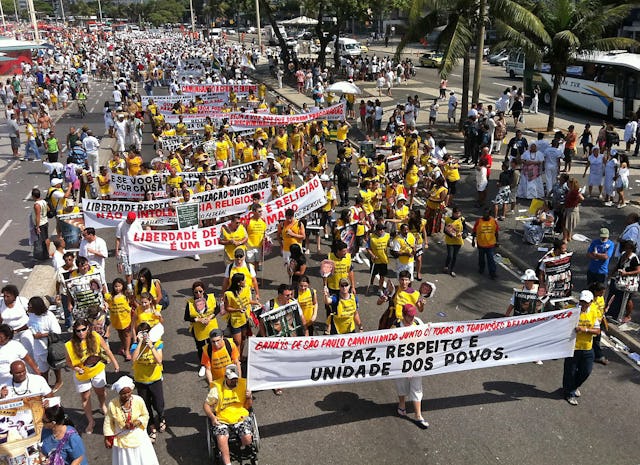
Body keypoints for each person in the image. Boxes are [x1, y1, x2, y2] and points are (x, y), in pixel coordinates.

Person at [65, 318, 119, 434]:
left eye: (83, 330)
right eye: (78, 331)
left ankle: (102, 405)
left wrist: (115, 363)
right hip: (82, 374)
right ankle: (91, 421)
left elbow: (106, 349)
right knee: (85, 397)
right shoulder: (69, 345)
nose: (81, 333)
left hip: (97, 370)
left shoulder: (95, 336)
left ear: (87, 328)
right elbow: (69, 362)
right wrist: (75, 368)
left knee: (101, 392)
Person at [203, 365, 254, 465]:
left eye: (235, 379)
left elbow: (248, 406)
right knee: (221, 438)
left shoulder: (244, 384)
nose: (234, 381)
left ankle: (240, 449)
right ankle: (227, 463)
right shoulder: (217, 389)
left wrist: (249, 398)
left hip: (240, 417)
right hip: (223, 419)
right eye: (231, 379)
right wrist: (212, 417)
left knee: (247, 438)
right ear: (226, 377)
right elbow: (206, 405)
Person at [103, 376, 160, 465]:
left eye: (129, 392)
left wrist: (138, 422)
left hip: (138, 436)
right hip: (122, 440)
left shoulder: (138, 400)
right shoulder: (112, 404)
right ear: (119, 393)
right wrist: (107, 438)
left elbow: (145, 415)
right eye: (123, 393)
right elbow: (108, 422)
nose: (126, 395)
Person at [392, 304, 429, 428]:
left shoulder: (418, 323)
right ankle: (402, 404)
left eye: (413, 315)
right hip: (401, 363)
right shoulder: (396, 326)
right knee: (401, 385)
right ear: (403, 315)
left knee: (417, 387)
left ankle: (418, 415)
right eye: (409, 316)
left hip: (416, 362)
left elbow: (427, 337)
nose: (412, 318)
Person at [562, 290, 600, 406]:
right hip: (573, 347)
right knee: (570, 372)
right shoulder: (572, 310)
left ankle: (573, 386)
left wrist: (585, 330)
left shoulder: (594, 312)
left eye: (586, 302)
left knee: (586, 371)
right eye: (582, 301)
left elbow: (598, 331)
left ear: (591, 302)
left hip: (587, 348)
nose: (583, 304)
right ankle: (569, 393)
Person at [131, 322, 165, 443]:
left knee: (159, 404)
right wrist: (139, 343)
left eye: (146, 333)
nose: (144, 336)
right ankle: (152, 429)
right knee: (146, 406)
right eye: (142, 333)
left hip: (155, 379)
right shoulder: (135, 346)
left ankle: (161, 418)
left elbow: (159, 360)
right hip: (141, 381)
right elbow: (133, 359)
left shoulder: (158, 344)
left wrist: (151, 347)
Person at [26, 296, 63, 392]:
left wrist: (42, 335)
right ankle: (45, 386)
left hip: (49, 347)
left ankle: (59, 381)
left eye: (30, 306)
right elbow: (29, 325)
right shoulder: (31, 315)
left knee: (55, 365)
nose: (28, 308)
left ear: (36, 307)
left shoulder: (48, 316)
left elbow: (57, 331)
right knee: (43, 369)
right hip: (38, 348)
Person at [184, 280, 219, 369]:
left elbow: (217, 309)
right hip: (198, 328)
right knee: (201, 347)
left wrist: (209, 317)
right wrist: (198, 319)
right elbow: (186, 317)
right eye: (196, 292)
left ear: (204, 290)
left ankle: (214, 361)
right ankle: (204, 365)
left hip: (211, 325)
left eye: (200, 291)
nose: (198, 294)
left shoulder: (211, 297)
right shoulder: (190, 302)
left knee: (213, 344)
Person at [607, 240, 640, 324]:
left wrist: (627, 273)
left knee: (628, 298)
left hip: (630, 281)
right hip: (621, 280)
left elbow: (638, 270)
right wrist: (611, 274)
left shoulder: (634, 258)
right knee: (619, 296)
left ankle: (628, 315)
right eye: (626, 248)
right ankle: (616, 314)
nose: (627, 249)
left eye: (629, 248)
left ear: (632, 249)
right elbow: (618, 265)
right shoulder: (623, 255)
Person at [0, 284, 35, 356]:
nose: (5, 298)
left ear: (14, 296)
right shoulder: (0, 303)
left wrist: (19, 330)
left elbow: (32, 314)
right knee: (13, 354)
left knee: (29, 351)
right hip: (9, 333)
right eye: (4, 296)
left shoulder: (22, 301)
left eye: (8, 296)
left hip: (24, 330)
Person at [472, 209, 499, 279]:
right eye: (484, 213)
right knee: (481, 258)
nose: (484, 215)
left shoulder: (493, 221)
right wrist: (473, 241)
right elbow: (474, 231)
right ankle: (481, 268)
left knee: (491, 259)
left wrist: (497, 241)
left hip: (490, 245)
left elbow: (496, 232)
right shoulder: (479, 221)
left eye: (486, 214)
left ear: (489, 214)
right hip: (481, 244)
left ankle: (492, 273)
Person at [115, 211, 138, 288]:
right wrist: (117, 250)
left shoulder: (137, 224)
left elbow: (141, 235)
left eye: (133, 221)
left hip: (135, 251)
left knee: (136, 269)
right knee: (128, 270)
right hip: (125, 251)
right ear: (127, 218)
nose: (131, 222)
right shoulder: (121, 225)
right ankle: (129, 286)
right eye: (130, 220)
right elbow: (118, 239)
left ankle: (135, 282)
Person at [443, 207, 466, 277]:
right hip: (450, 240)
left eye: (459, 213)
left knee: (454, 256)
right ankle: (446, 266)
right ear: (453, 213)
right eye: (456, 213)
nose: (458, 214)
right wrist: (451, 235)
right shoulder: (448, 219)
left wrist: (464, 234)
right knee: (450, 255)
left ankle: (452, 270)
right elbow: (445, 230)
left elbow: (465, 229)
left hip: (458, 240)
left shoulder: (462, 220)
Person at [563, 178, 584, 243]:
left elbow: (582, 198)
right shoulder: (571, 190)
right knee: (570, 224)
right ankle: (569, 237)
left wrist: (576, 202)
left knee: (565, 224)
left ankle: (565, 238)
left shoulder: (574, 192)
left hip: (571, 209)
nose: (567, 184)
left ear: (571, 184)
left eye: (568, 183)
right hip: (571, 208)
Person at [31, 188, 49, 260]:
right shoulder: (44, 201)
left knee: (40, 241)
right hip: (45, 222)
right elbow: (48, 209)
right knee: (45, 239)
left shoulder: (37, 205)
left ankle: (41, 256)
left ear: (33, 196)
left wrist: (37, 227)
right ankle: (45, 254)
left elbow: (37, 217)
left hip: (41, 224)